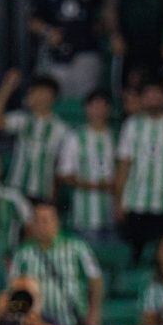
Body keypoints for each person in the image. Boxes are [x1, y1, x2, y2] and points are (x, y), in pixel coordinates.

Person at [114, 77, 163, 258]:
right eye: (148, 94)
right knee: (136, 255)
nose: (153, 98)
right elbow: (124, 165)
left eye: (157, 94)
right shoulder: (131, 126)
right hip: (135, 202)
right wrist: (118, 201)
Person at [9, 203, 103, 325]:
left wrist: (94, 312)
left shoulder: (77, 247)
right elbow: (13, 286)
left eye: (46, 220)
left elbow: (95, 279)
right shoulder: (22, 253)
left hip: (72, 322)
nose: (42, 225)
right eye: (37, 221)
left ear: (56, 222)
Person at [0, 71, 70, 203]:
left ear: (52, 96)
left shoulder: (61, 129)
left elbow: (61, 164)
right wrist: (6, 88)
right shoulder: (22, 120)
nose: (37, 96)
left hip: (43, 193)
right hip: (16, 191)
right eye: (33, 92)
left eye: (42, 92)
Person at [57, 90, 117, 244]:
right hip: (84, 217)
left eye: (102, 106)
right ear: (86, 109)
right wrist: (95, 186)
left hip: (114, 215)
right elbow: (65, 175)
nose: (98, 111)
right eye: (94, 106)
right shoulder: (75, 138)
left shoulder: (116, 137)